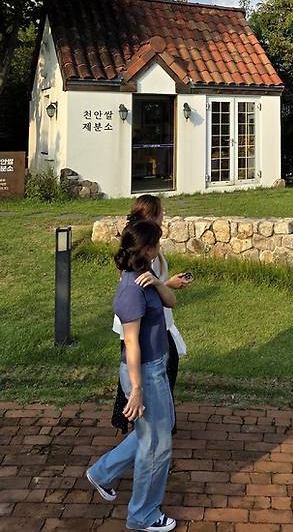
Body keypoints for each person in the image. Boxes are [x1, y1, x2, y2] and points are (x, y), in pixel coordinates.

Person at [86, 219, 177, 532]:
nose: (160, 247)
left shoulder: (144, 278)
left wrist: (157, 281)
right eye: (158, 243)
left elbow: (172, 301)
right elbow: (131, 344)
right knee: (158, 445)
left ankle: (101, 473)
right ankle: (143, 515)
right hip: (145, 375)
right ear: (148, 249)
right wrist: (136, 390)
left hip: (156, 368)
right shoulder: (130, 291)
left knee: (149, 436)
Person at [111, 195, 192, 434]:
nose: (164, 217)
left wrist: (164, 285)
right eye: (160, 213)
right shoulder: (144, 250)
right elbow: (140, 287)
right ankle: (152, 422)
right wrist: (167, 284)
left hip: (153, 318)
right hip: (144, 321)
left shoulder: (147, 244)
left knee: (142, 367)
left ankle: (137, 420)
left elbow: (156, 289)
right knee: (151, 367)